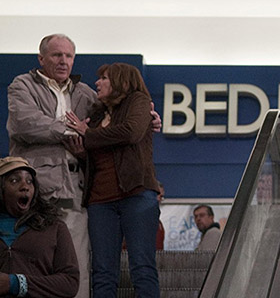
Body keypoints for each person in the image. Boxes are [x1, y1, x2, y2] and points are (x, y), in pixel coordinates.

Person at [6, 33, 161, 298]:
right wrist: (73, 130)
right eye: (57, 55)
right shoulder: (23, 85)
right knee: (34, 259)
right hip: (37, 190)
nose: (63, 61)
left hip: (78, 191)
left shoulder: (86, 94)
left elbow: (114, 124)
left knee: (78, 265)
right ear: (41, 58)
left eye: (68, 56)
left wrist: (149, 119)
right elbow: (24, 123)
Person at [65, 62, 160, 297]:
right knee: (103, 272)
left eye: (104, 78)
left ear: (122, 81)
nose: (97, 82)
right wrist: (82, 153)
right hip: (100, 201)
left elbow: (131, 132)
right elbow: (98, 154)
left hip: (136, 194)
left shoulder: (138, 101)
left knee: (142, 267)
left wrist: (88, 134)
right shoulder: (96, 114)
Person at [0, 156, 79, 298]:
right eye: (14, 181)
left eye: (29, 181)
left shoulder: (54, 227)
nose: (25, 186)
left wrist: (15, 283)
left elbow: (70, 283)